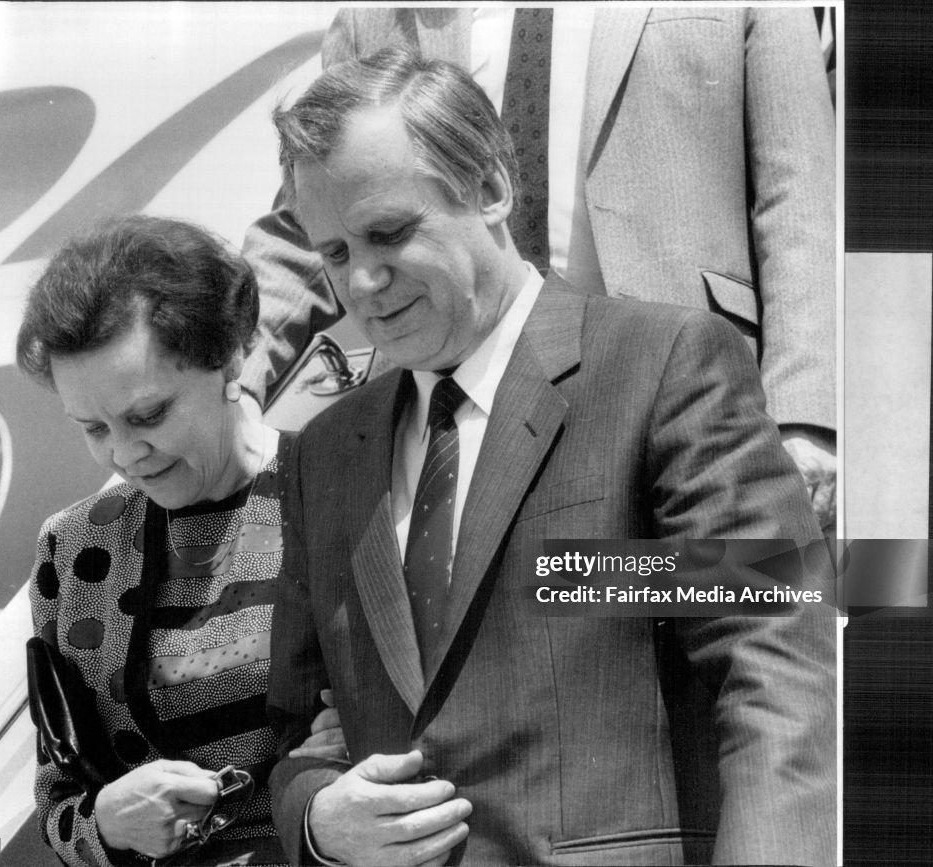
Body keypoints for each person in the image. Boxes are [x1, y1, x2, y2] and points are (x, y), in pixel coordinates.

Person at [265, 49, 835, 866]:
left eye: (388, 232)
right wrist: (320, 820)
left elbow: (776, 665)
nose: (363, 279)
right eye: (333, 253)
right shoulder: (326, 452)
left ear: (492, 187)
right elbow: (294, 729)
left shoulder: (664, 366)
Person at [240, 5, 837, 531]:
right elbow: (317, 217)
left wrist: (805, 417)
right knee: (524, 638)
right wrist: (232, 374)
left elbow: (802, 192)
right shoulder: (379, 17)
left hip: (688, 404)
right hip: (464, 413)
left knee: (729, 602)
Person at [17, 215, 344, 866]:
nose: (124, 452)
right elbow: (59, 803)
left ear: (229, 357)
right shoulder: (74, 549)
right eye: (93, 427)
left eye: (148, 415)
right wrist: (106, 823)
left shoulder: (344, 495)